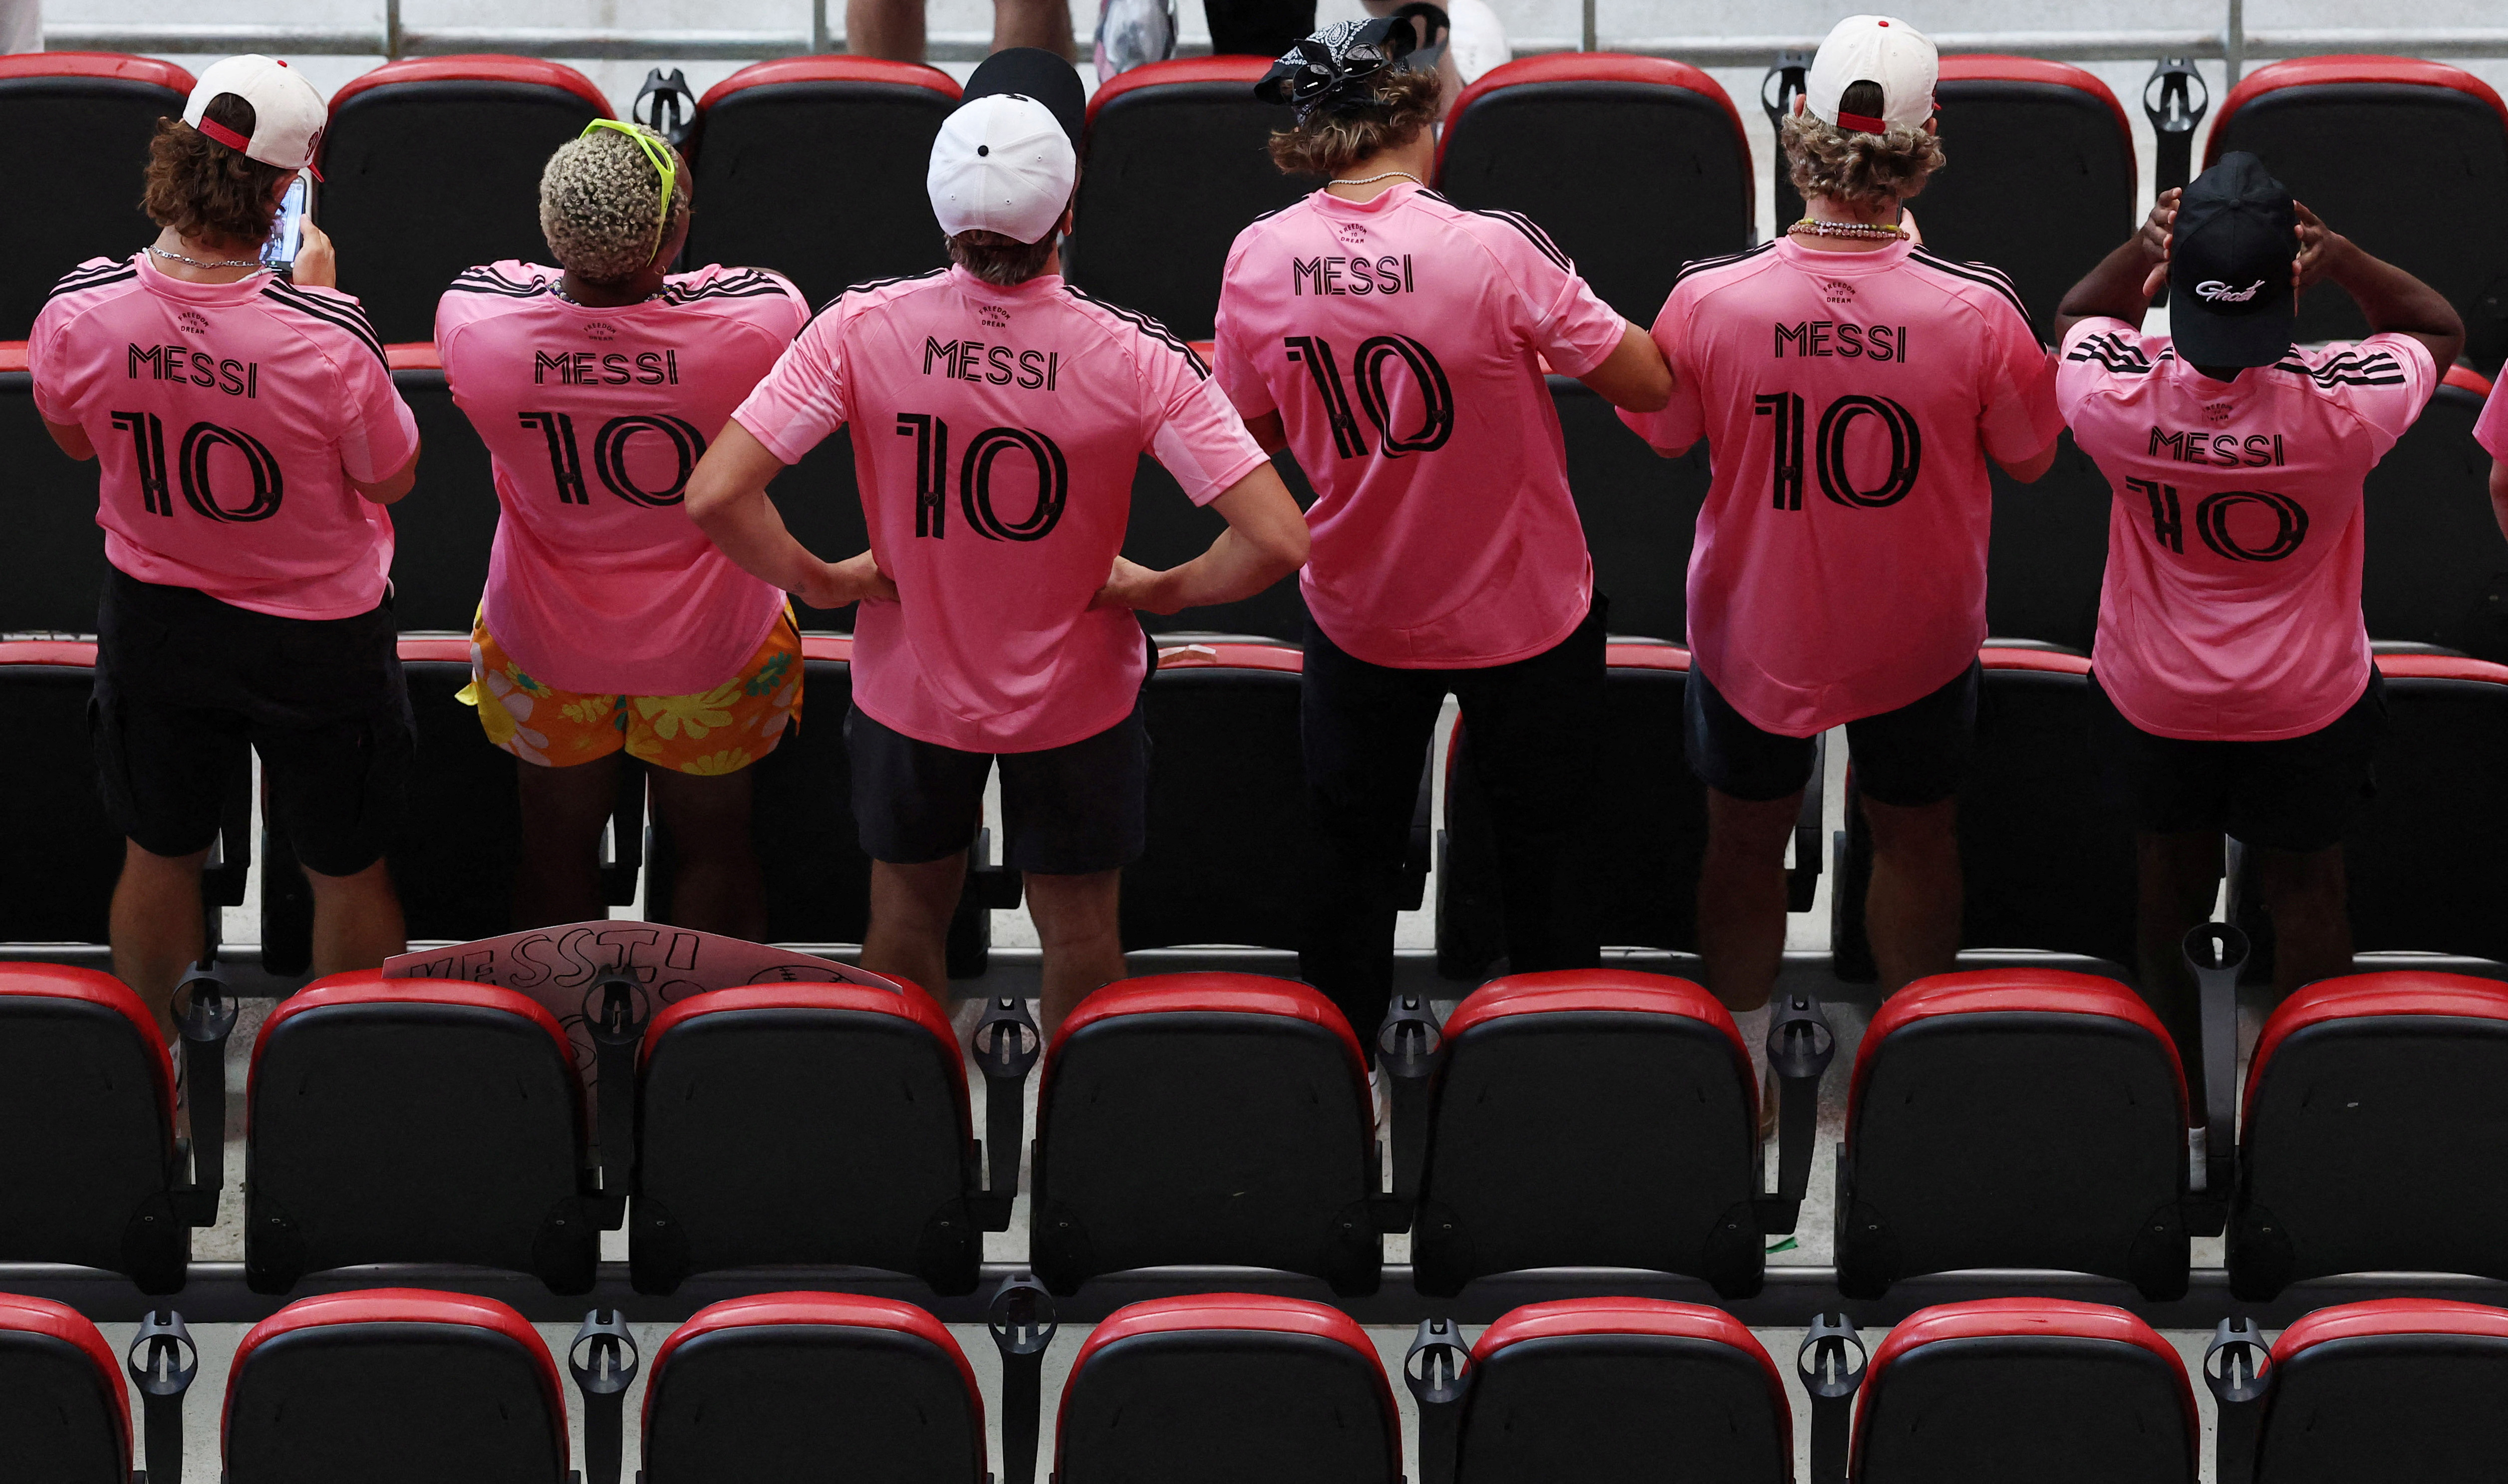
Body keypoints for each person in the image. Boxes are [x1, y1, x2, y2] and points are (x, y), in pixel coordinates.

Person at [685, 53, 1311, 1031]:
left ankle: (913, 1140)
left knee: (901, 919)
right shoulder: (1134, 353)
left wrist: (819, 579)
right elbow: (1276, 537)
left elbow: (716, 493)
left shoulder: (861, 326)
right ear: (1065, 214)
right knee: (1078, 935)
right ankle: (1075, 1148)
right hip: (1076, 693)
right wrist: (1161, 591)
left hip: (908, 684)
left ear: (943, 215)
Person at [1215, 19, 1672, 1039]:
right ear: (1425, 119)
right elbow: (1646, 378)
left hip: (1358, 611)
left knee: (1346, 866)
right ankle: (1548, 1086)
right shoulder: (1493, 248)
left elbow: (1240, 431)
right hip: (1528, 616)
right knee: (1545, 866)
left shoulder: (1258, 256)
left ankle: (1332, 1093)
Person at [1620, 14, 2061, 1012]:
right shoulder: (1980, 308)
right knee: (1914, 837)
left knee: (1740, 841)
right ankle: (1915, 1067)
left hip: (1751, 628)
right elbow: (2031, 460)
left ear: (1801, 127)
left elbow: (1660, 435)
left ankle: (1734, 1063)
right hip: (1916, 636)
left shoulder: (1705, 298)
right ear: (1924, 137)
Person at [2052, 153, 2462, 1098]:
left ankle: (2181, 1108)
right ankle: (2309, 1109)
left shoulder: (2111, 396)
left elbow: (2077, 318)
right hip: (2307, 704)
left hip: (2153, 697)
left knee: (2168, 890)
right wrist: (2348, 258)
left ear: (2174, 284)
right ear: (2291, 281)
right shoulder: (2347, 401)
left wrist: (2137, 249)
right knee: (2309, 893)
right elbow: (2434, 326)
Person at [28, 56, 421, 1040]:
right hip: (317, 636)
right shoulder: (328, 331)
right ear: (286, 193)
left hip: (159, 617)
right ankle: (339, 1071)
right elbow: (390, 478)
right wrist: (327, 298)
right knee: (344, 865)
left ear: (179, 159)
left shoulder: (79, 306)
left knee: (156, 852)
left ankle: (151, 1074)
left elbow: (73, 437)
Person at [436, 121, 810, 937]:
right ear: (673, 237)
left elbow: (508, 281)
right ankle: (699, 1052)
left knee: (553, 850)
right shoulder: (756, 328)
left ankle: (566, 1042)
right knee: (714, 848)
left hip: (544, 647)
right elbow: (757, 285)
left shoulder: (474, 325)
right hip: (713, 649)